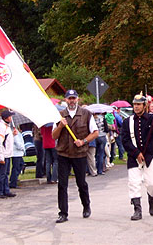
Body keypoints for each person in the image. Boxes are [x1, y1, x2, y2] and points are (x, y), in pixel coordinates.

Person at [52, 89, 99, 223]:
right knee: (62, 185)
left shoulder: (86, 114)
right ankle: (63, 213)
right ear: (65, 100)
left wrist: (83, 141)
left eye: (74, 98)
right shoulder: (60, 115)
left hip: (79, 154)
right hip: (63, 153)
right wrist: (60, 126)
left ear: (77, 99)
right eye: (69, 98)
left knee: (81, 183)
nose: (71, 101)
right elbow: (53, 136)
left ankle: (86, 206)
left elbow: (95, 132)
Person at [121, 93, 153, 221]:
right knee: (134, 183)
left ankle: (152, 199)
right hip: (133, 157)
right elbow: (125, 140)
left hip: (150, 155)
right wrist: (136, 153)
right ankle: (137, 209)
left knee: (152, 184)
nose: (136, 107)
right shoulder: (127, 122)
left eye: (139, 104)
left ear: (144, 105)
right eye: (135, 104)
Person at [0, 110, 17, 199]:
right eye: (10, 116)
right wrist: (1, 157)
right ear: (6, 118)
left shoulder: (7, 126)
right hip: (4, 154)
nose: (11, 118)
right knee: (2, 174)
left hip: (8, 153)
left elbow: (7, 139)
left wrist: (13, 134)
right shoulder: (1, 127)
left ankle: (6, 190)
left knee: (6, 173)